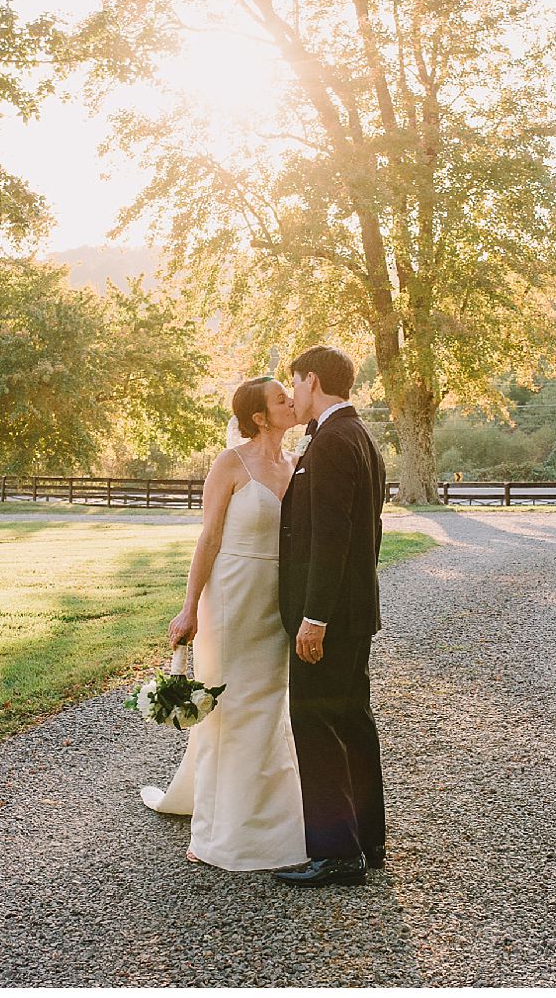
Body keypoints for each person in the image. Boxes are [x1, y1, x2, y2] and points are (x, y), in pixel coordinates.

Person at [140, 376, 308, 871]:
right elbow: (208, 538)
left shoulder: (297, 465)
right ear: (259, 417)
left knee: (270, 705)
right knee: (228, 706)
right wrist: (189, 607)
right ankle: (215, 830)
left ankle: (271, 821)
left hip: (279, 600)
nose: (291, 402)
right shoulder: (230, 464)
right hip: (232, 597)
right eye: (281, 399)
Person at [273, 345, 388, 887]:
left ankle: (338, 853)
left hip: (330, 614)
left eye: (293, 383)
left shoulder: (335, 442)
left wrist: (314, 616)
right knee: (350, 720)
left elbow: (333, 539)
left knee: (317, 722)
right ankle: (366, 838)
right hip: (354, 609)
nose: (291, 394)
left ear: (311, 380)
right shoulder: (360, 438)